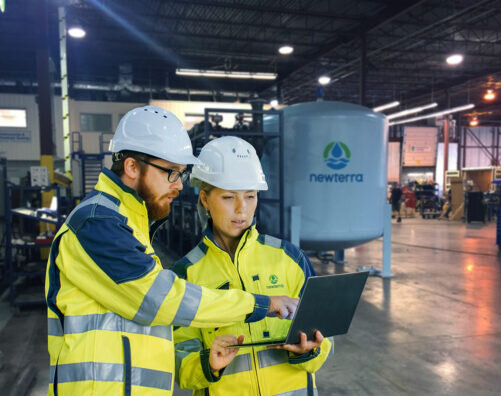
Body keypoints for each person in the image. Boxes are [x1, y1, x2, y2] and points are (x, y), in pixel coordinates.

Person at [45, 106, 298, 396]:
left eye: (181, 174)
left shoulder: (128, 222)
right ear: (131, 167)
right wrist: (258, 304)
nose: (179, 185)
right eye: (171, 173)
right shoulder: (97, 223)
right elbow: (160, 299)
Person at [173, 136, 332, 396]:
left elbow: (327, 335)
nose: (241, 209)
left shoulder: (289, 258)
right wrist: (208, 364)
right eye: (228, 197)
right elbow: (179, 359)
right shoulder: (186, 274)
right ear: (204, 199)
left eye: (250, 196)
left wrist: (311, 350)